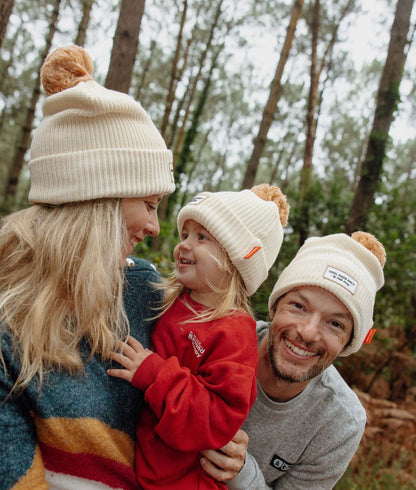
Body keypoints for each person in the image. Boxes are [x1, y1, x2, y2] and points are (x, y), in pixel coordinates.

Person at [0, 45, 175, 489]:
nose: (155, 226)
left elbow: (224, 350)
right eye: (149, 204)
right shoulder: (7, 320)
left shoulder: (145, 289)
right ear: (98, 203)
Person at [107, 185, 290, 489]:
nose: (184, 246)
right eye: (185, 235)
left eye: (202, 237)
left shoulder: (234, 332)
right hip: (143, 467)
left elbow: (219, 419)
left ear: (235, 262)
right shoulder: (172, 302)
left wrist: (155, 374)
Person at [200, 231, 386, 489]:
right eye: (299, 306)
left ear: (347, 344)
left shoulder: (340, 422)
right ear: (274, 307)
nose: (308, 332)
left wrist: (242, 474)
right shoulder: (215, 339)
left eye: (335, 323)